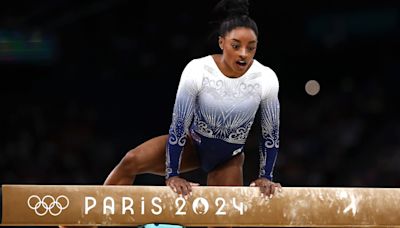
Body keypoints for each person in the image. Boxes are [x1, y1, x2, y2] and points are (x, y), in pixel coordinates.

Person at [104, 0, 282, 199]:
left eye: (251, 48)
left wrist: (266, 176)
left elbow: (270, 134)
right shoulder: (198, 70)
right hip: (193, 146)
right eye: (236, 45)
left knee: (223, 216)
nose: (244, 54)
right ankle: (91, 216)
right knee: (131, 160)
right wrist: (172, 175)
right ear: (221, 42)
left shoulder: (265, 78)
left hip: (228, 158)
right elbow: (179, 124)